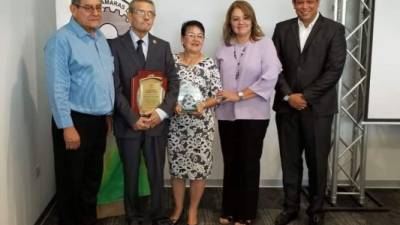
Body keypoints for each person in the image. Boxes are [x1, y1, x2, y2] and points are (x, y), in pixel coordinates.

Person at [272, 0, 347, 225]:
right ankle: (290, 208)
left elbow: (335, 69)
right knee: (290, 161)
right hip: (287, 107)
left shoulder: (334, 29)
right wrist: (288, 95)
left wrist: (305, 97)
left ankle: (316, 210)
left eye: (310, 1)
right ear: (294, 4)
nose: (305, 6)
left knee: (317, 162)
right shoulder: (282, 28)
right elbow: (273, 66)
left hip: (319, 109)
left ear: (318, 3)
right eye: (300, 2)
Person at [107, 0, 179, 225]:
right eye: (141, 12)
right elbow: (114, 87)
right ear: (129, 15)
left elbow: (174, 83)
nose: (147, 18)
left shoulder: (162, 46)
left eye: (151, 14)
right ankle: (134, 216)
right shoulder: (114, 45)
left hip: (157, 123)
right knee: (130, 172)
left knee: (157, 173)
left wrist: (161, 113)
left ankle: (158, 215)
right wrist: (132, 118)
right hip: (128, 124)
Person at [44, 0, 114, 225]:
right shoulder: (61, 40)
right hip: (74, 121)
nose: (95, 12)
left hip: (98, 120)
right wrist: (67, 126)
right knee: (71, 184)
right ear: (73, 9)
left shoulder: (100, 38)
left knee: (91, 181)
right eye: (88, 7)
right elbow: (58, 86)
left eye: (98, 7)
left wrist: (107, 115)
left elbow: (102, 80)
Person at [215, 1, 282, 225]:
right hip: (226, 115)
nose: (240, 22)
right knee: (231, 162)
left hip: (254, 115)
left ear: (252, 20)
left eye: (245, 17)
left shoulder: (264, 44)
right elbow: (215, 80)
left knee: (249, 163)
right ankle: (229, 209)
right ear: (230, 23)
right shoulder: (223, 47)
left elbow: (271, 75)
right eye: (235, 18)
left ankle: (245, 214)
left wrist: (241, 95)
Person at [167, 20, 222, 225]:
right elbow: (163, 89)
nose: (195, 39)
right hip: (176, 126)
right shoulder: (170, 61)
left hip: (201, 127)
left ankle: (192, 210)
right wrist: (171, 104)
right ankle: (178, 208)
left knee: (199, 171)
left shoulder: (210, 64)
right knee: (177, 170)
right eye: (191, 34)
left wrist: (204, 104)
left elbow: (218, 95)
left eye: (200, 35)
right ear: (182, 39)